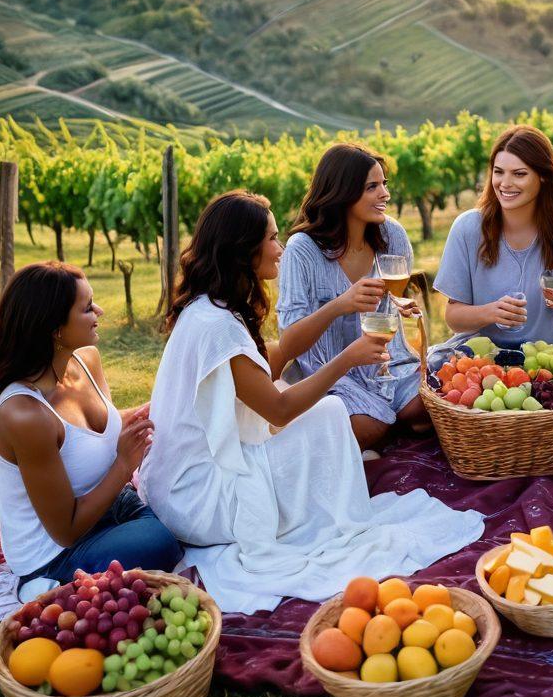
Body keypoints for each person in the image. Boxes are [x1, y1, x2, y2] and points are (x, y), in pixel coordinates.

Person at [139, 190, 483, 613]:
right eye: (270, 238)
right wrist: (348, 357)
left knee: (322, 414)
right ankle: (332, 512)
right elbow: (278, 410)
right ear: (241, 250)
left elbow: (270, 362)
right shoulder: (217, 325)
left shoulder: (207, 307)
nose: (279, 247)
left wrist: (341, 309)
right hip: (200, 499)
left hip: (173, 481)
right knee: (330, 413)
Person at [0, 262, 181, 593]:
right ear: (55, 327)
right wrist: (123, 464)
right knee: (160, 542)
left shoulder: (85, 359)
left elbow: (89, 429)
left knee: (179, 516)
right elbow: (67, 530)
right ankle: (49, 586)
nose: (100, 311)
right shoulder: (25, 414)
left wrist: (155, 409)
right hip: (57, 552)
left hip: (111, 503)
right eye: (88, 307)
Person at [276, 144, 426, 451]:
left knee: (432, 406)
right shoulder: (302, 249)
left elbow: (393, 303)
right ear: (342, 192)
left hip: (390, 363)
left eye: (384, 184)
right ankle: (378, 426)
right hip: (330, 371)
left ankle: (389, 422)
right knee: (370, 427)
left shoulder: (392, 236)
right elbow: (289, 342)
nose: (385, 194)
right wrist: (340, 305)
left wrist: (403, 306)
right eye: (372, 187)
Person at [430, 125, 553, 364]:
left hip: (552, 355)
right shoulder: (468, 228)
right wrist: (490, 312)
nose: (505, 183)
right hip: (482, 357)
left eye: (519, 174)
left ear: (543, 176)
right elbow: (453, 317)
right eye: (499, 172)